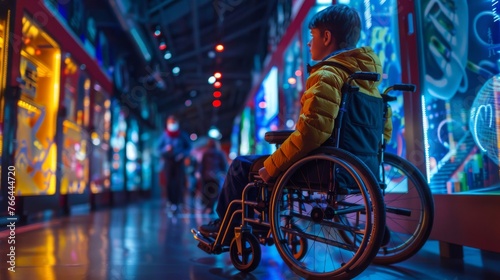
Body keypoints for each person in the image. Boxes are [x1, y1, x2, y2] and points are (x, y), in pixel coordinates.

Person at [199, 4, 392, 236]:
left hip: (324, 169)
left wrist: (272, 167)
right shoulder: (370, 84)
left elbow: (311, 132)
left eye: (312, 36)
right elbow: (384, 135)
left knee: (241, 166)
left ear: (327, 37)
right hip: (363, 169)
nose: (309, 43)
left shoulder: (327, 75)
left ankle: (227, 228)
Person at [158, 115, 192, 212]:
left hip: (179, 162)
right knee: (169, 182)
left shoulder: (182, 135)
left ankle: (178, 202)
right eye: (170, 123)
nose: (172, 125)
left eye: (174, 123)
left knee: (179, 182)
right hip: (168, 161)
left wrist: (183, 154)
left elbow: (189, 147)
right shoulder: (164, 135)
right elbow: (157, 149)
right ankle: (170, 202)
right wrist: (166, 149)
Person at [199, 138, 228, 214]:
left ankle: (206, 207)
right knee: (214, 193)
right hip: (216, 176)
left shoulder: (205, 153)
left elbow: (202, 165)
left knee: (206, 192)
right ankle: (210, 208)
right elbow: (224, 165)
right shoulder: (220, 153)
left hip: (206, 175)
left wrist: (199, 173)